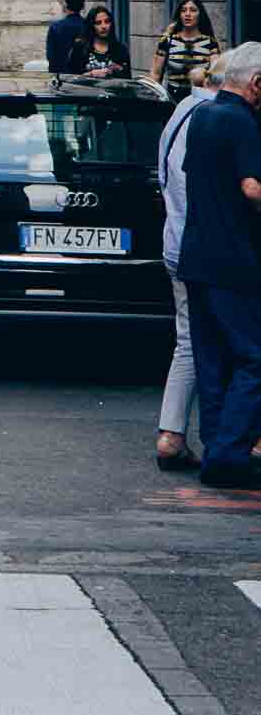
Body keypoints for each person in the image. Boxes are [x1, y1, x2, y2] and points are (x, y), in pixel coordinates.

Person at [174, 41, 261, 489]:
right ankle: (228, 455)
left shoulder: (202, 115)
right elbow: (251, 187)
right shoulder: (243, 122)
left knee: (214, 360)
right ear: (256, 84)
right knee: (254, 358)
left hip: (197, 256)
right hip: (235, 261)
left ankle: (215, 447)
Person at [155, 62, 218, 472]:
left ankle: (171, 434)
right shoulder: (218, 121)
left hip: (177, 242)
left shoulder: (180, 112)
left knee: (189, 342)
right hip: (207, 249)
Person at [152, 0, 220, 101]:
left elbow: (216, 75)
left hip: (200, 99)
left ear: (200, 14)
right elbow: (156, 74)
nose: (187, 14)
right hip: (173, 99)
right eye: (183, 10)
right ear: (179, 14)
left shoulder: (210, 42)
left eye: (193, 10)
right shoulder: (167, 40)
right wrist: (154, 100)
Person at [46, 0, 90, 74]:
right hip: (83, 77)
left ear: (65, 5)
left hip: (60, 76)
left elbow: (50, 56)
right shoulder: (88, 26)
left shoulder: (55, 27)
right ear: (83, 6)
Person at [84, 4, 131, 80]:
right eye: (98, 23)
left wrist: (119, 70)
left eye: (107, 21)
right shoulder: (81, 48)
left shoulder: (121, 50)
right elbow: (69, 79)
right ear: (91, 25)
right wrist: (91, 74)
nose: (104, 26)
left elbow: (127, 81)